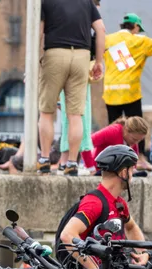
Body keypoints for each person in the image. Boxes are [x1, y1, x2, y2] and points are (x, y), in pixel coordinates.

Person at [38, 0, 104, 176]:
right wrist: (98, 61)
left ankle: (44, 159)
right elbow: (100, 29)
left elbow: (39, 31)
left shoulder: (46, 1)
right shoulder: (87, 2)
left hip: (55, 52)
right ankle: (72, 163)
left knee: (46, 111)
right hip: (82, 56)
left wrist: (34, 61)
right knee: (75, 114)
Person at [58, 145, 149, 269]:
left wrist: (143, 252)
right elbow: (67, 235)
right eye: (131, 170)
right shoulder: (94, 203)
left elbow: (131, 227)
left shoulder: (119, 203)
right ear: (124, 173)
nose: (132, 175)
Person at [103, 13, 152, 156]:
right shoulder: (140, 41)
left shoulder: (108, 39)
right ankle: (139, 157)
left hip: (110, 91)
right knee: (137, 126)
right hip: (130, 91)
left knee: (113, 127)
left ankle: (112, 156)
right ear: (136, 26)